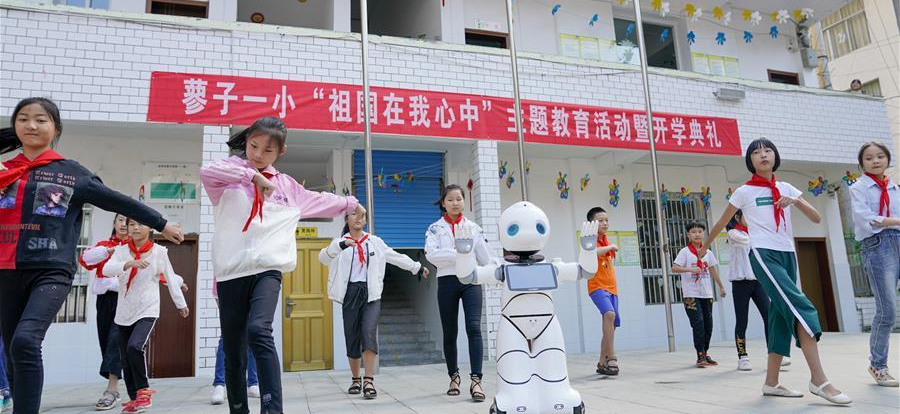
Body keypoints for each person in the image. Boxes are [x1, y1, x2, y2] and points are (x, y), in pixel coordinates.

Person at [0, 97, 183, 413]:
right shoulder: (5, 172)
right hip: (5, 269)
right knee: (14, 349)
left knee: (25, 341)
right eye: (24, 118)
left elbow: (118, 201)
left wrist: (161, 223)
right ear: (15, 126)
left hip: (50, 270)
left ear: (55, 128)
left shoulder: (72, 174)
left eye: (40, 119)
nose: (31, 125)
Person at [200, 116, 358, 414]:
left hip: (268, 270)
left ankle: (273, 410)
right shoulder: (228, 175)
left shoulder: (287, 187)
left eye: (267, 150)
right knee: (234, 350)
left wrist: (351, 204)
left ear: (281, 152)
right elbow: (206, 170)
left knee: (259, 330)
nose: (257, 155)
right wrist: (250, 177)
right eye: (253, 145)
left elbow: (320, 199)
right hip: (231, 272)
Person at [700, 137, 851, 405]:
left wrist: (794, 201)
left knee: (780, 318)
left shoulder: (786, 187)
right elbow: (721, 221)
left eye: (767, 150)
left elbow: (816, 218)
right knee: (802, 309)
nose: (763, 155)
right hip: (763, 253)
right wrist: (704, 248)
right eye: (756, 152)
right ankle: (819, 380)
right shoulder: (744, 192)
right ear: (750, 160)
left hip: (787, 254)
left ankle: (771, 382)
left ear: (775, 155)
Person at [320, 205, 429, 399]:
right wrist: (341, 245)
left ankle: (369, 380)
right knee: (352, 336)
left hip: (371, 294)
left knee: (368, 333)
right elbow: (323, 258)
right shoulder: (339, 243)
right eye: (354, 214)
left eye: (362, 215)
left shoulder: (374, 242)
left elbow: (394, 256)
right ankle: (355, 379)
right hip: (350, 294)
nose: (358, 218)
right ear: (347, 218)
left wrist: (416, 267)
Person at [103, 217, 189, 413]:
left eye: (140, 224)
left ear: (150, 227)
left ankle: (143, 392)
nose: (134, 227)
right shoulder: (121, 251)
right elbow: (107, 270)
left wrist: (180, 303)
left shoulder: (159, 252)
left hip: (148, 308)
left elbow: (169, 276)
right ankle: (134, 398)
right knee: (125, 356)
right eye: (131, 224)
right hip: (124, 309)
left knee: (135, 346)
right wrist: (128, 263)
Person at [424, 184, 496, 401]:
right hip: (447, 282)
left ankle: (476, 381)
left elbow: (486, 257)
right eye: (450, 200)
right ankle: (454, 376)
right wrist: (461, 254)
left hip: (471, 281)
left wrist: (498, 270)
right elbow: (431, 254)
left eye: (459, 199)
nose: (455, 203)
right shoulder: (435, 229)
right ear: (443, 203)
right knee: (450, 331)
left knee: (474, 327)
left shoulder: (474, 228)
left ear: (464, 201)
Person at [849, 141, 900, 387]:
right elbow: (867, 220)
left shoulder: (894, 187)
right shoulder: (858, 188)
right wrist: (893, 221)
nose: (876, 161)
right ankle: (878, 365)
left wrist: (892, 222)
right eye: (869, 158)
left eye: (880, 156)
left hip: (898, 239)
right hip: (878, 246)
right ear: (862, 164)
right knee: (887, 310)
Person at [726, 210, 788, 371]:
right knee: (742, 320)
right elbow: (748, 241)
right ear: (737, 217)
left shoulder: (755, 233)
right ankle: (743, 357)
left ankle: (773, 355)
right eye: (747, 215)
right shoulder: (733, 233)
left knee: (769, 317)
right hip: (740, 282)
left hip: (758, 281)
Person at [78, 214, 129, 410]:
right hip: (105, 299)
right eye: (121, 220)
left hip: (127, 299)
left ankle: (111, 389)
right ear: (114, 223)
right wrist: (106, 252)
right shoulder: (105, 245)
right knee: (107, 341)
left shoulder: (136, 248)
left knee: (116, 340)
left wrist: (177, 281)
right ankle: (119, 387)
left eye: (129, 221)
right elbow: (85, 260)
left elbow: (157, 270)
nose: (124, 224)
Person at [672, 221, 726, 367]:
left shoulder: (708, 252)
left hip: (707, 294)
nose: (697, 234)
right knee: (698, 324)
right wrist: (690, 270)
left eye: (700, 231)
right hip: (691, 294)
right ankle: (700, 355)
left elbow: (713, 270)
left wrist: (721, 286)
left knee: (709, 325)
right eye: (693, 232)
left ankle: (705, 352)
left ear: (704, 234)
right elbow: (674, 268)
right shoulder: (685, 252)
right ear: (688, 235)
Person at [210, 275, 260, 405]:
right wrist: (217, 294)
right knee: (226, 336)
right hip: (227, 287)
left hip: (251, 287)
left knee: (251, 334)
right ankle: (220, 384)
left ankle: (253, 382)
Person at [584, 207, 622, 376]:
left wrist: (609, 246)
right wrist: (610, 247)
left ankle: (602, 362)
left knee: (611, 325)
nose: (605, 223)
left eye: (606, 220)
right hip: (597, 286)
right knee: (609, 314)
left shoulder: (605, 240)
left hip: (612, 287)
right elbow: (591, 253)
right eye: (600, 220)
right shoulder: (588, 239)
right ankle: (612, 356)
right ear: (592, 224)